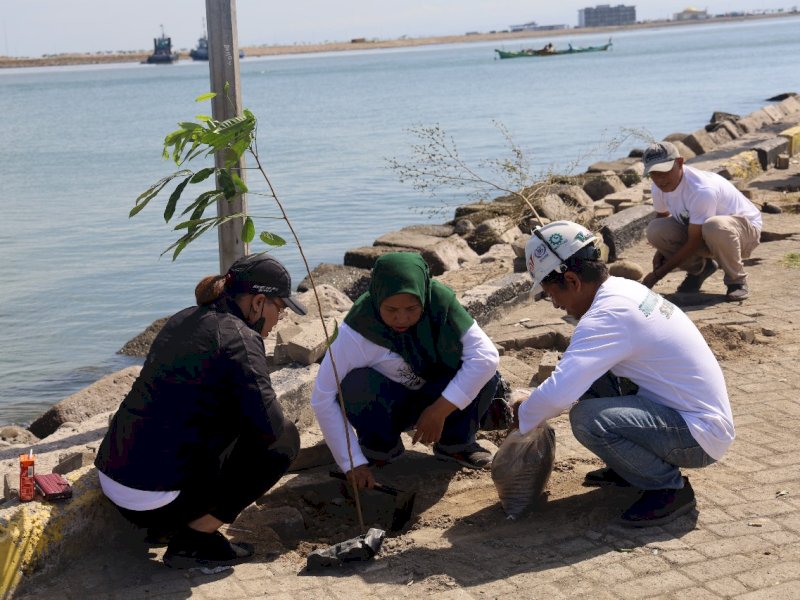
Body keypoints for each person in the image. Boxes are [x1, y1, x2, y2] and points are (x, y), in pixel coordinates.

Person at [515, 220, 734, 527]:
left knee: (588, 419)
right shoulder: (622, 289)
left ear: (572, 280)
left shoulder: (608, 316)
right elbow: (572, 376)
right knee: (589, 381)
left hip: (698, 436)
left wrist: (521, 416)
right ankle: (629, 465)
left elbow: (558, 394)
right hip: (689, 414)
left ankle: (669, 490)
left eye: (553, 293)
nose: (555, 304)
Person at [95, 254, 307, 569]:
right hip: (154, 499)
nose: (281, 318)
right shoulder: (241, 339)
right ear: (259, 302)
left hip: (114, 477)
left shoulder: (184, 318)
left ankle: (167, 527)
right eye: (281, 308)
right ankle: (194, 539)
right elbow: (271, 430)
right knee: (285, 440)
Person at [310, 252, 501, 490]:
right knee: (353, 384)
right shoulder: (357, 329)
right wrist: (352, 463)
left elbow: (486, 357)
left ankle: (455, 444)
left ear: (424, 295)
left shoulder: (441, 304)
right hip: (393, 402)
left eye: (412, 308)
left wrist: (439, 411)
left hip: (438, 393)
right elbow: (322, 397)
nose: (401, 318)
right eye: (390, 309)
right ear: (377, 298)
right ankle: (380, 447)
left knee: (486, 375)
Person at [640, 141, 762, 301]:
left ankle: (736, 281)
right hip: (704, 233)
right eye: (654, 173)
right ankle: (700, 270)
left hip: (744, 233)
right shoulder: (658, 187)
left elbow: (694, 241)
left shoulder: (702, 190)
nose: (660, 179)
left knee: (714, 226)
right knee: (655, 230)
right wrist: (660, 251)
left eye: (664, 171)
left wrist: (657, 275)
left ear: (680, 163)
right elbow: (662, 217)